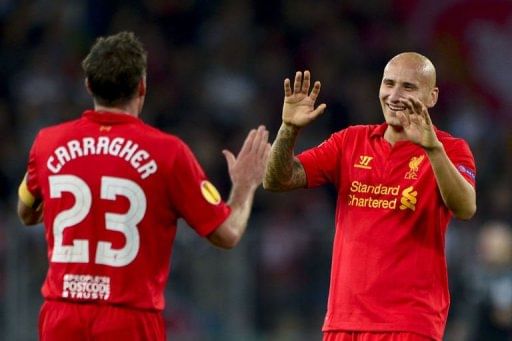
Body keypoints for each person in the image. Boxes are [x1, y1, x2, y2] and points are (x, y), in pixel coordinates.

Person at [16, 31, 270, 340]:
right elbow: (228, 233)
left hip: (62, 317)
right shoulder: (168, 153)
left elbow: (26, 214)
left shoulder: (47, 143)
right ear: (142, 87)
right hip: (129, 319)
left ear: (89, 86)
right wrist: (245, 185)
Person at [263, 52, 477, 341]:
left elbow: (465, 207)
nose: (394, 95)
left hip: (409, 323)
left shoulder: (451, 149)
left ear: (432, 96)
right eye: (388, 83)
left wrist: (433, 150)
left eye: (408, 87)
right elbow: (276, 180)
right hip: (342, 321)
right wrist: (288, 130)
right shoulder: (349, 142)